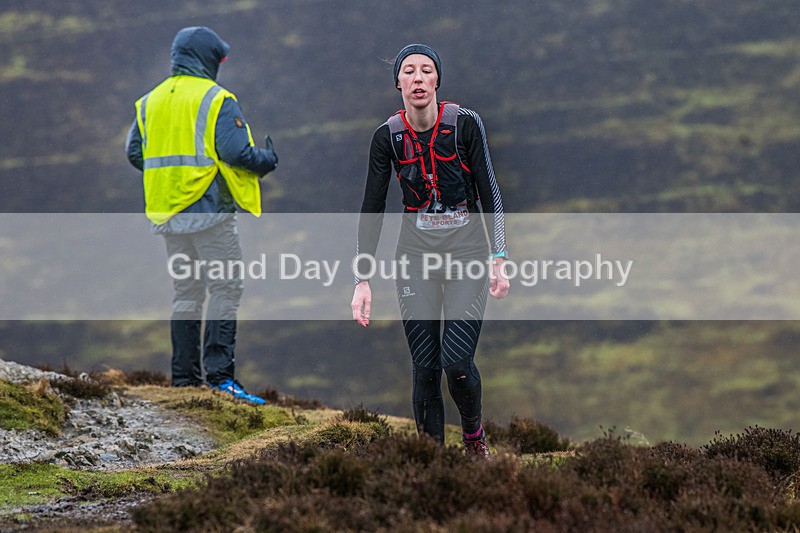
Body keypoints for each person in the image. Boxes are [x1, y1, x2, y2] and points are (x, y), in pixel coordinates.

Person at [351, 44, 510, 457]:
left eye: (426, 70)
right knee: (425, 368)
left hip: (468, 256)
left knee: (456, 364)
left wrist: (499, 258)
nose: (418, 78)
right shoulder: (386, 137)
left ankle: (474, 439)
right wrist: (362, 279)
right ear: (398, 83)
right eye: (409, 71)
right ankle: (432, 465)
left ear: (437, 79)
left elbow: (489, 191)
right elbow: (372, 207)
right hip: (415, 260)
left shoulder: (465, 124)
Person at [125, 26, 277, 404]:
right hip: (210, 211)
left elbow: (134, 153)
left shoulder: (150, 101)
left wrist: (173, 177)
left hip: (169, 213)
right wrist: (268, 160)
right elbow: (236, 153)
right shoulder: (215, 99)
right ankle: (221, 378)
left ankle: (184, 382)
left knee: (186, 292)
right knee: (226, 287)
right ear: (207, 58)